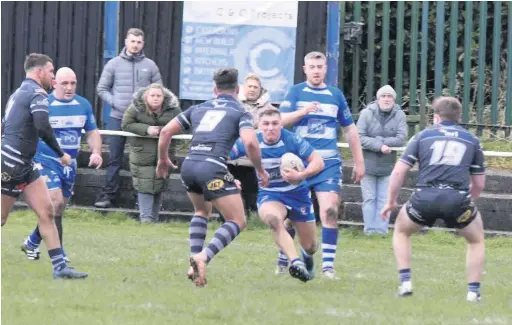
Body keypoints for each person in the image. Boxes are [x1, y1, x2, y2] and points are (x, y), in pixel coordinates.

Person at [156, 68, 270, 287]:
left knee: (202, 211)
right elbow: (251, 143)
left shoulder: (198, 108)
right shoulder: (240, 111)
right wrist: (260, 170)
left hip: (189, 165)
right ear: (237, 90)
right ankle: (203, 257)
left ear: (214, 89)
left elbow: (165, 132)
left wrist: (162, 159)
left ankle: (194, 266)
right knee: (237, 220)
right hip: (212, 166)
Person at [380, 96, 486, 302]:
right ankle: (473, 293)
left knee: (401, 231)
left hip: (424, 198)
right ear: (458, 117)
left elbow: (398, 172)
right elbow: (479, 184)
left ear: (436, 117)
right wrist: (467, 200)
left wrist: (391, 202)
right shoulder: (472, 140)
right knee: (476, 240)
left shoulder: (422, 137)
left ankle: (405, 283)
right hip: (457, 199)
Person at [278, 51, 365, 279]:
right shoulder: (296, 92)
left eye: (320, 66)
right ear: (304, 69)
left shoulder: (335, 95)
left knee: (329, 210)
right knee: (292, 215)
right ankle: (284, 259)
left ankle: (328, 267)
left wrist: (359, 161)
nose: (316, 70)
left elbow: (350, 129)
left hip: (328, 163)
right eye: (312, 67)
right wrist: (302, 112)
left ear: (326, 69)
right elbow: (280, 121)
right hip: (301, 162)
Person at [1, 53, 87, 279]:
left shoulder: (19, 92)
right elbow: (42, 124)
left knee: (47, 211)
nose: (54, 78)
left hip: (25, 164)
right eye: (51, 72)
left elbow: (5, 125)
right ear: (39, 72)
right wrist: (61, 154)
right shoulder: (38, 93)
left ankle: (60, 268)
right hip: (12, 162)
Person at [229, 108, 324, 282]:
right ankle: (295, 262)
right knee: (273, 219)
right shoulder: (251, 142)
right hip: (270, 195)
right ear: (259, 125)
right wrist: (228, 178)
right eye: (266, 124)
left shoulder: (291, 140)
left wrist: (300, 175)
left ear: (281, 124)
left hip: (298, 195)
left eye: (274, 123)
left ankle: (306, 256)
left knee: (311, 246)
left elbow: (318, 161)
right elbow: (222, 156)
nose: (270, 128)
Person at [20, 67, 103, 262]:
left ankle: (32, 242)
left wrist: (96, 152)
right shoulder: (43, 104)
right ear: (55, 83)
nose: (69, 87)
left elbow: (92, 132)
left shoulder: (83, 105)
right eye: (64, 83)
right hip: (45, 161)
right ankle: (60, 257)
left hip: (69, 164)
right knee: (54, 202)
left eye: (73, 83)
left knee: (57, 210)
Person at [95, 28, 163, 208]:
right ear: (126, 42)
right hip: (117, 118)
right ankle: (108, 197)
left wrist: (149, 108)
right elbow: (101, 89)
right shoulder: (113, 64)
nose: (135, 45)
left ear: (143, 44)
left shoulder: (151, 65)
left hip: (142, 121)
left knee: (140, 161)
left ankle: (139, 200)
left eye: (139, 42)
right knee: (114, 159)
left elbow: (159, 91)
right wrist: (115, 102)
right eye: (132, 41)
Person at [121, 83, 182, 223]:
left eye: (158, 96)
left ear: (163, 97)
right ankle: (146, 218)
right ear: (146, 96)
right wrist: (147, 129)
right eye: (152, 95)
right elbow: (126, 123)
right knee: (144, 185)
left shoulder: (174, 109)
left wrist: (165, 130)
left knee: (159, 185)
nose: (155, 98)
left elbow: (184, 125)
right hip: (141, 154)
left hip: (165, 153)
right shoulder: (136, 107)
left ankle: (153, 218)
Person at [357, 85, 407, 235]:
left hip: (388, 167)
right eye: (383, 96)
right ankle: (369, 231)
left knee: (385, 200)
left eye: (389, 96)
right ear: (378, 99)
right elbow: (359, 137)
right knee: (369, 199)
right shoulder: (366, 113)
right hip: (367, 165)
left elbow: (401, 138)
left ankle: (382, 231)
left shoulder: (400, 115)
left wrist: (383, 143)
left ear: (393, 99)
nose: (386, 99)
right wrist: (379, 145)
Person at [227, 73, 271, 214]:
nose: (252, 89)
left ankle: (253, 218)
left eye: (255, 87)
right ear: (243, 88)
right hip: (231, 157)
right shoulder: (232, 104)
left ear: (260, 89)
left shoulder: (268, 109)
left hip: (253, 159)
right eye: (249, 86)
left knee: (251, 192)